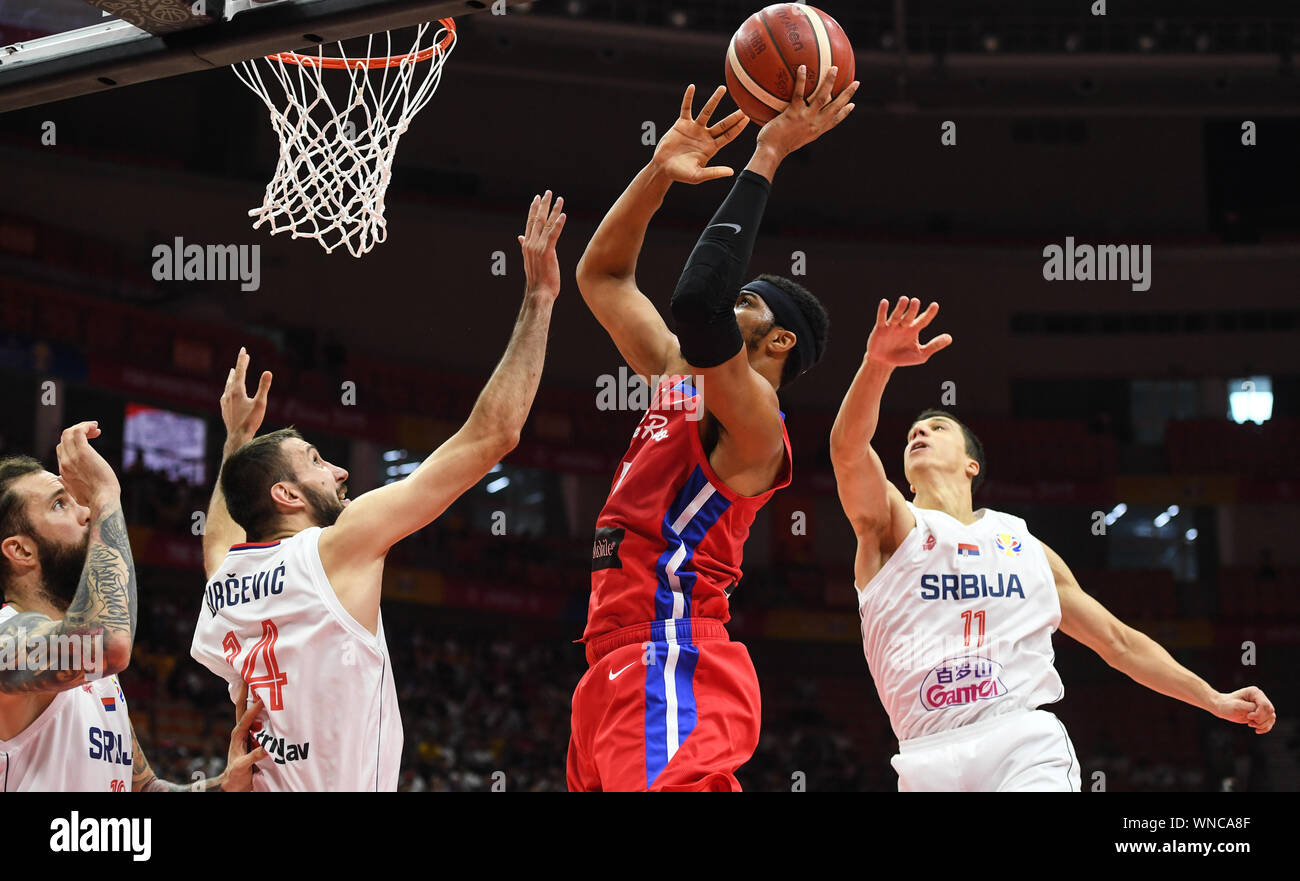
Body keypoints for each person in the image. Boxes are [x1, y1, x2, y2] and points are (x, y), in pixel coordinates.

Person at [191, 192, 567, 790]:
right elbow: (493, 435)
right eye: (316, 462)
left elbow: (220, 533)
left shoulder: (226, 584)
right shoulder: (338, 546)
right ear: (286, 496)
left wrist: (238, 441)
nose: (339, 472)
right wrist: (539, 299)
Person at [830, 296, 1278, 791]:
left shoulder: (1026, 548)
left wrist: (1212, 698)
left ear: (971, 464)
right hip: (924, 755)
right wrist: (877, 365)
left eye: (938, 427)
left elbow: (1118, 643)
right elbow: (849, 451)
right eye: (914, 429)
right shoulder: (893, 525)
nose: (920, 431)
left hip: (1020, 742)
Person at [567, 67, 856, 791]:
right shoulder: (678, 372)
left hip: (671, 652)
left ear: (779, 342)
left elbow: (698, 300)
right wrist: (658, 172)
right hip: (611, 662)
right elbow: (602, 276)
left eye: (750, 299)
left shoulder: (755, 421)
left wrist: (768, 153)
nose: (736, 298)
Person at [0, 425, 261, 791]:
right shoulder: (8, 641)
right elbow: (110, 644)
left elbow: (147, 788)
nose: (86, 511)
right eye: (61, 503)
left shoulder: (90, 663)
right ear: (21, 550)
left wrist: (223, 785)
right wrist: (106, 491)